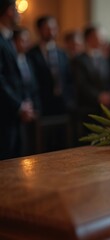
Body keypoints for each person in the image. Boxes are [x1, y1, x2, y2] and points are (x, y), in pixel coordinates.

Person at [27, 15, 74, 152]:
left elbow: (69, 80)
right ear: (39, 30)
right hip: (42, 105)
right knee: (42, 145)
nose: (51, 31)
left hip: (62, 105)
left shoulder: (62, 53)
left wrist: (69, 100)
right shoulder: (31, 54)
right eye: (47, 28)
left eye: (54, 28)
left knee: (62, 143)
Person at [0, 0, 35, 160]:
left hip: (13, 113)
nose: (19, 13)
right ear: (8, 11)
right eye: (16, 9)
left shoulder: (7, 39)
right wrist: (19, 105)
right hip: (5, 114)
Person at [72, 26, 110, 138]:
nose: (102, 39)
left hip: (104, 109)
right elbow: (81, 84)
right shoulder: (79, 60)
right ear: (89, 38)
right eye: (99, 36)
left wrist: (109, 94)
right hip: (87, 108)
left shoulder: (104, 59)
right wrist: (98, 96)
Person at [12, 28, 40, 155]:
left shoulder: (28, 59)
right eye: (23, 40)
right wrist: (21, 107)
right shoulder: (10, 61)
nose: (27, 44)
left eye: (28, 40)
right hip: (16, 112)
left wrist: (33, 106)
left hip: (30, 109)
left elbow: (33, 86)